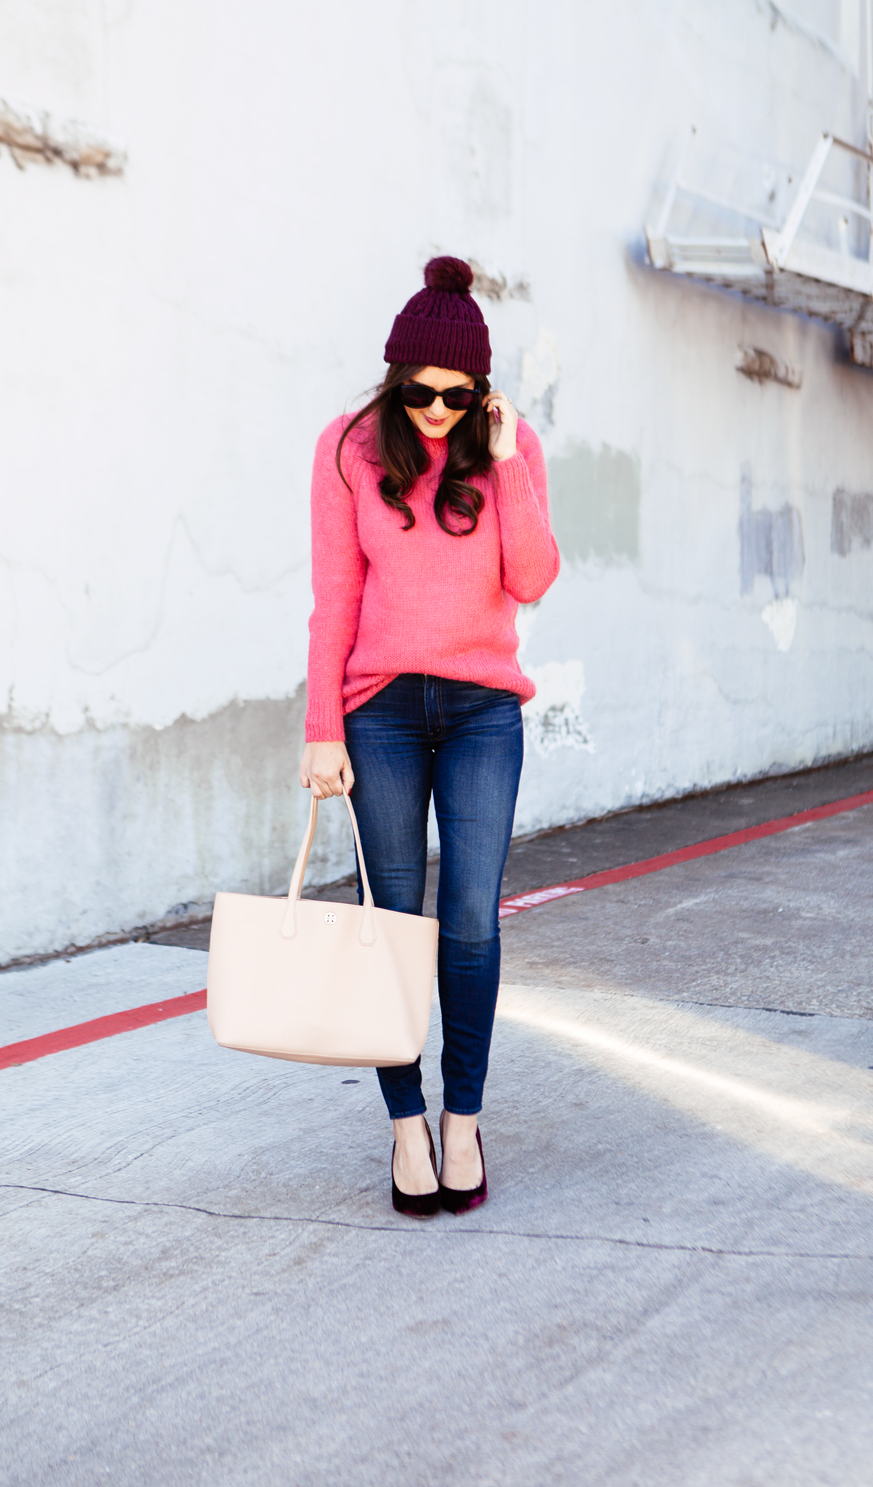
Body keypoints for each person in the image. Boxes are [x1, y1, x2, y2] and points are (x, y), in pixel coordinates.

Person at [300, 256, 559, 1216]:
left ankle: (466, 1120)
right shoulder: (348, 450)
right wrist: (323, 728)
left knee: (472, 922)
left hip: (484, 710)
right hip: (382, 715)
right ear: (394, 378)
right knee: (392, 923)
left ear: (482, 389)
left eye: (460, 395)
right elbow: (335, 603)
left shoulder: (506, 448)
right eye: (422, 392)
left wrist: (503, 463)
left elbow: (531, 577)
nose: (439, 410)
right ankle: (407, 1123)